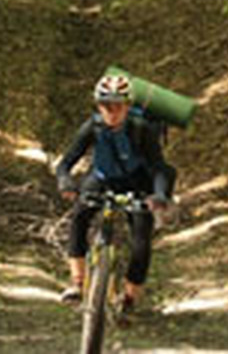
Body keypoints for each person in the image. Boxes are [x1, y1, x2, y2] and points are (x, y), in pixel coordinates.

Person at [56, 73, 174, 314]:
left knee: (141, 240)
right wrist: (65, 182)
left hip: (138, 182)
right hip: (101, 177)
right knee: (79, 217)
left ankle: (129, 298)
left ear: (127, 106)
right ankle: (78, 283)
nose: (112, 111)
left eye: (118, 105)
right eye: (105, 105)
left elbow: (160, 167)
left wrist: (159, 195)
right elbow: (65, 163)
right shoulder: (93, 126)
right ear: (98, 106)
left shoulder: (142, 129)